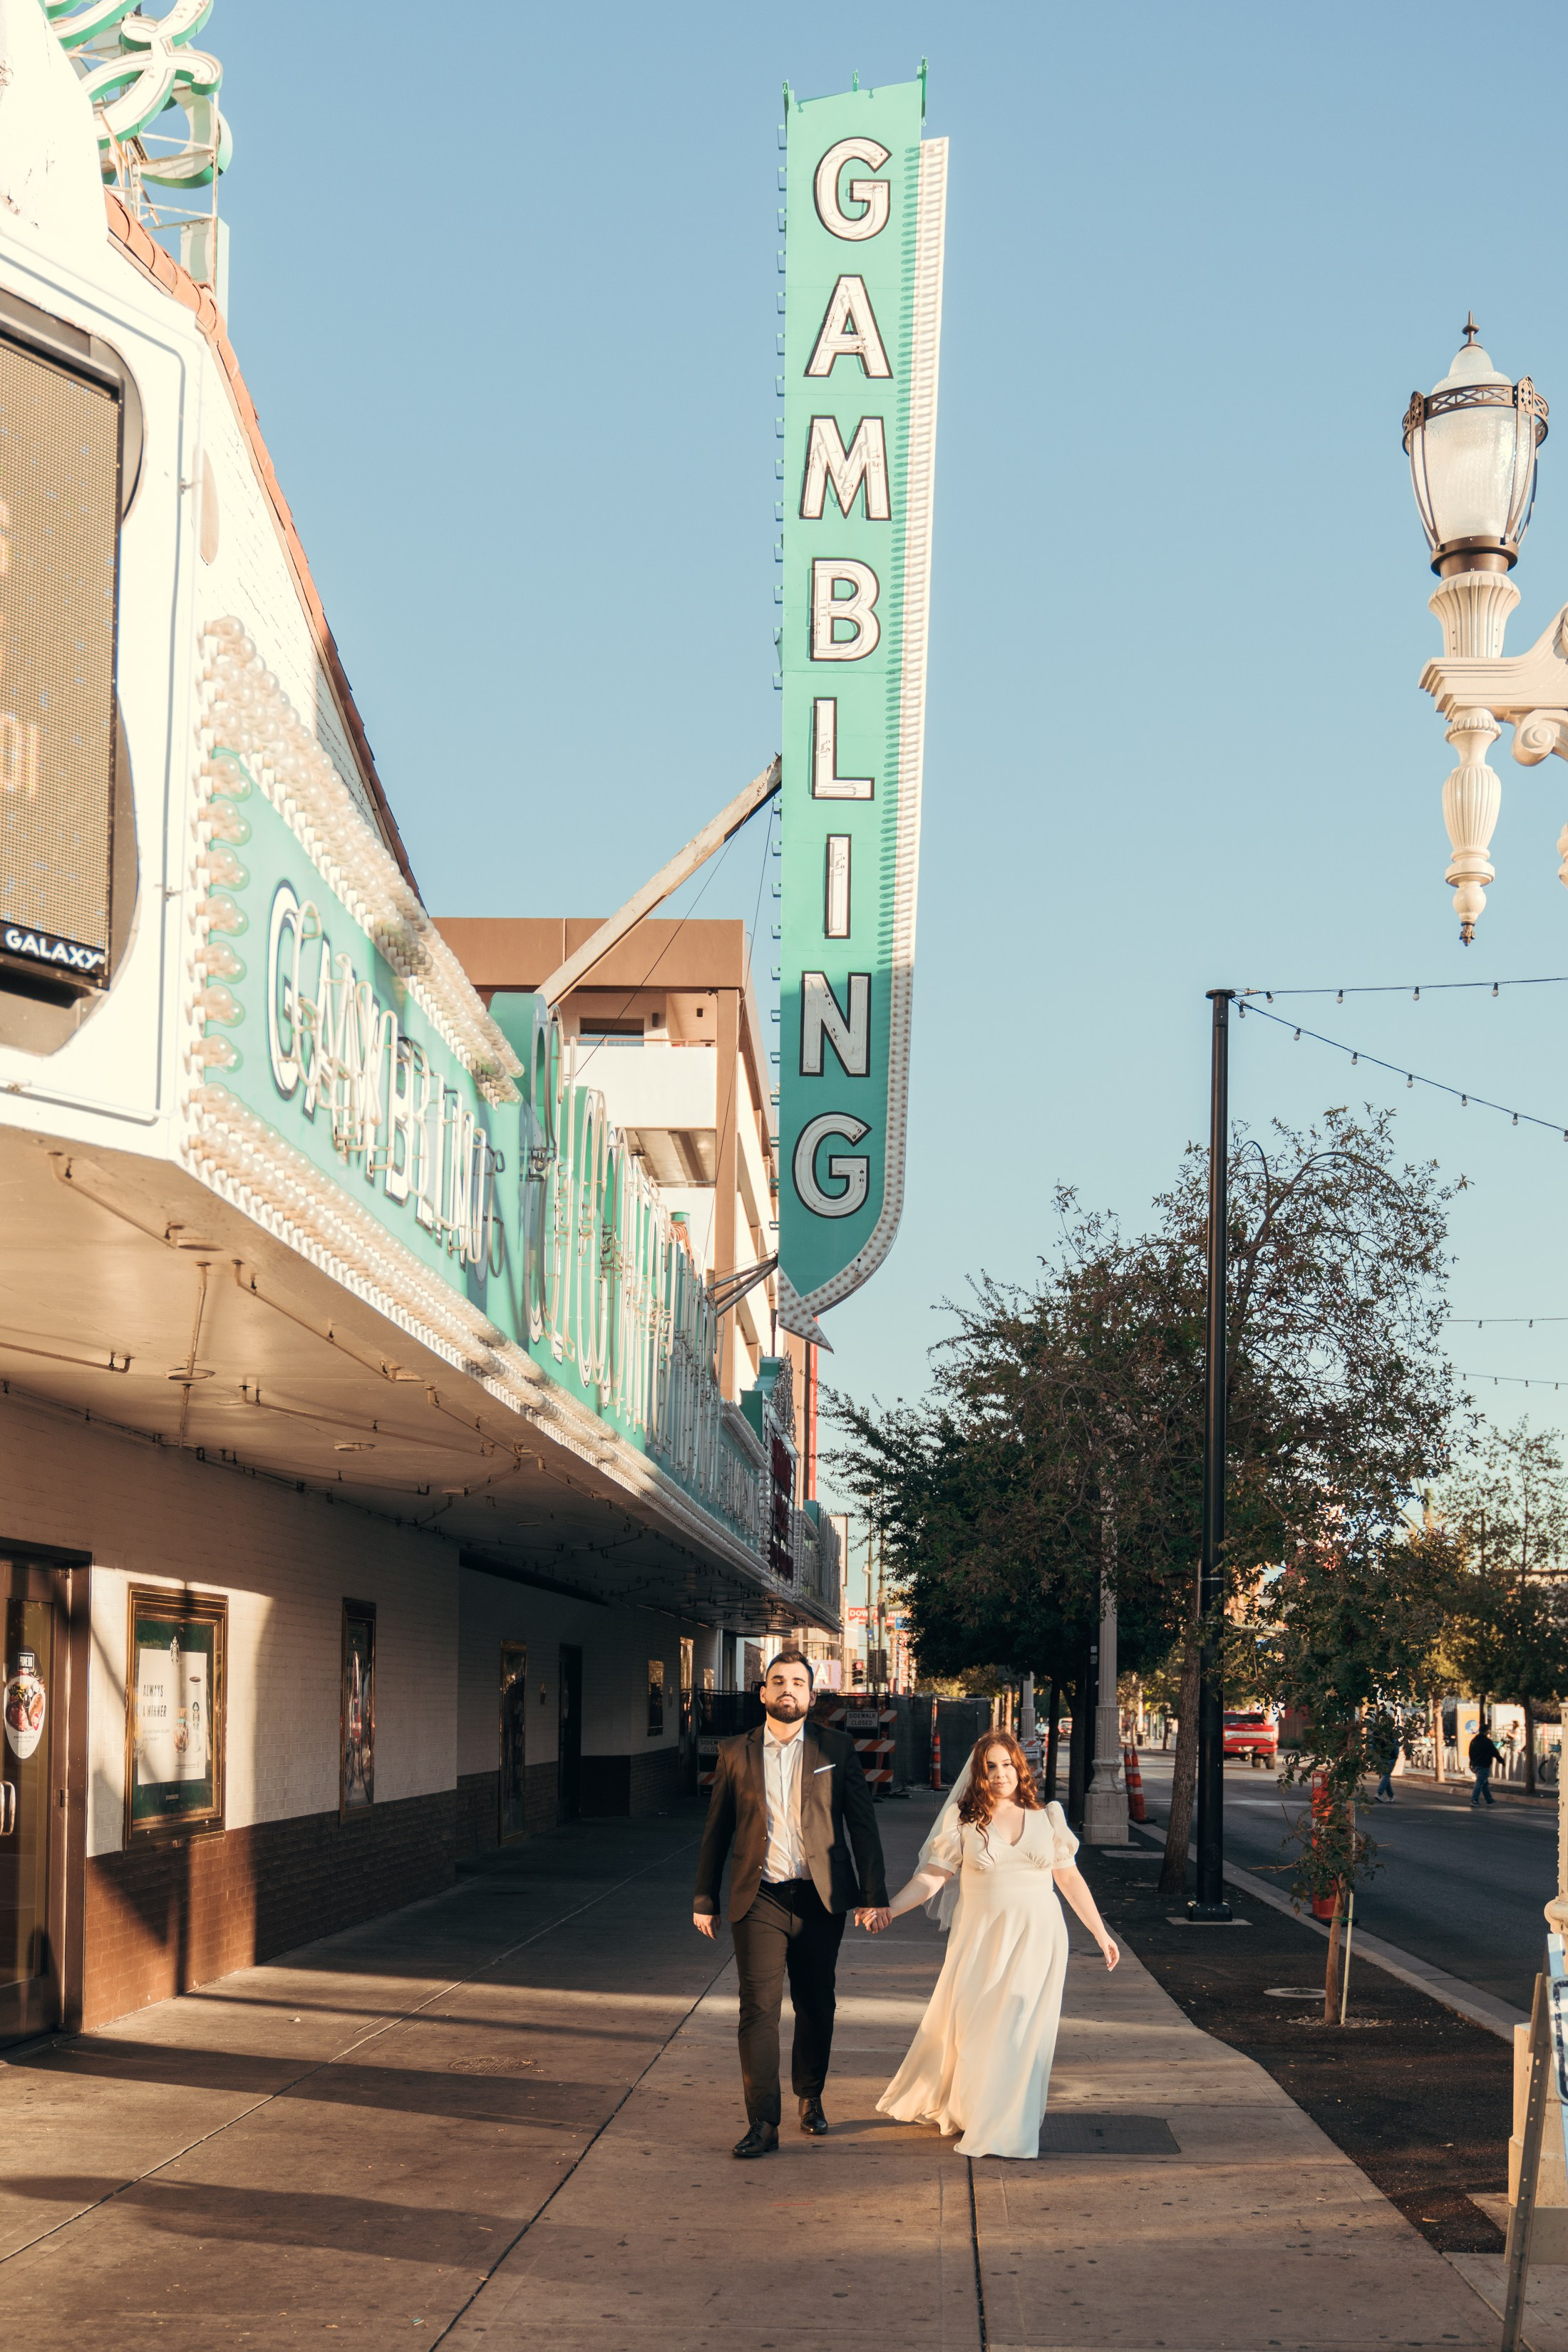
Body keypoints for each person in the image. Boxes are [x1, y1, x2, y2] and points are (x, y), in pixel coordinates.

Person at [864, 1731, 1120, 2160]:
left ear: (1020, 1767)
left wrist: (1100, 1933)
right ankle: (973, 2107)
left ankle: (1007, 2126)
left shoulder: (1048, 1817)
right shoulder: (963, 1823)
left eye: (1007, 1765)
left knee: (1022, 2030)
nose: (1001, 1775)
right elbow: (931, 1879)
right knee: (981, 2030)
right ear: (979, 1775)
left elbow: (1069, 1880)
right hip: (981, 1941)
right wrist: (890, 1908)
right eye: (991, 1767)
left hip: (1039, 1938)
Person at [693, 1649, 887, 2160]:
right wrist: (703, 1897)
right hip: (758, 1896)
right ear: (763, 1693)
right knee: (757, 2008)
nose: (787, 1690)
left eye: (797, 1683)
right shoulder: (736, 1752)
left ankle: (811, 2095)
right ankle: (763, 2121)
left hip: (820, 1899)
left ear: (811, 1696)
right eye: (777, 1681)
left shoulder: (837, 1748)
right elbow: (717, 1830)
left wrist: (873, 1896)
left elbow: (862, 1826)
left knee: (816, 2002)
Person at [1470, 1724, 1504, 1807]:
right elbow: (1494, 1752)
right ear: (1486, 1731)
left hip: (1476, 1764)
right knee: (1480, 1782)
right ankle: (1474, 1800)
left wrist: (1472, 1762)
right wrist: (1501, 1761)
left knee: (1484, 1783)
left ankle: (1489, 1800)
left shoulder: (1474, 1740)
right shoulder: (1487, 1741)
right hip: (1484, 1764)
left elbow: (1470, 1752)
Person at [1371, 1715, 1401, 1804]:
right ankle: (1379, 1793)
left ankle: (1391, 1795)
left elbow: (1373, 1746)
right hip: (1390, 1758)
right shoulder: (1392, 1734)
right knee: (1386, 1776)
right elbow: (1396, 1746)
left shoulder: (1377, 1733)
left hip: (1380, 1758)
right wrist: (1396, 1756)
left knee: (1386, 1776)